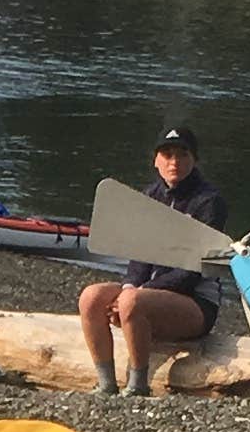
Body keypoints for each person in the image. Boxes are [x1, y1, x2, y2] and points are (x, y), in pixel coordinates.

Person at [78, 124, 229, 398]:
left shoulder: (209, 202)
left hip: (196, 303)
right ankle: (106, 384)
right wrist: (128, 288)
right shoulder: (151, 196)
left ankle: (138, 385)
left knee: (131, 301)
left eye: (182, 155)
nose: (174, 162)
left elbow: (191, 272)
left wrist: (136, 295)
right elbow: (139, 257)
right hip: (148, 296)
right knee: (91, 297)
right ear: (156, 160)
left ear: (194, 160)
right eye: (167, 154)